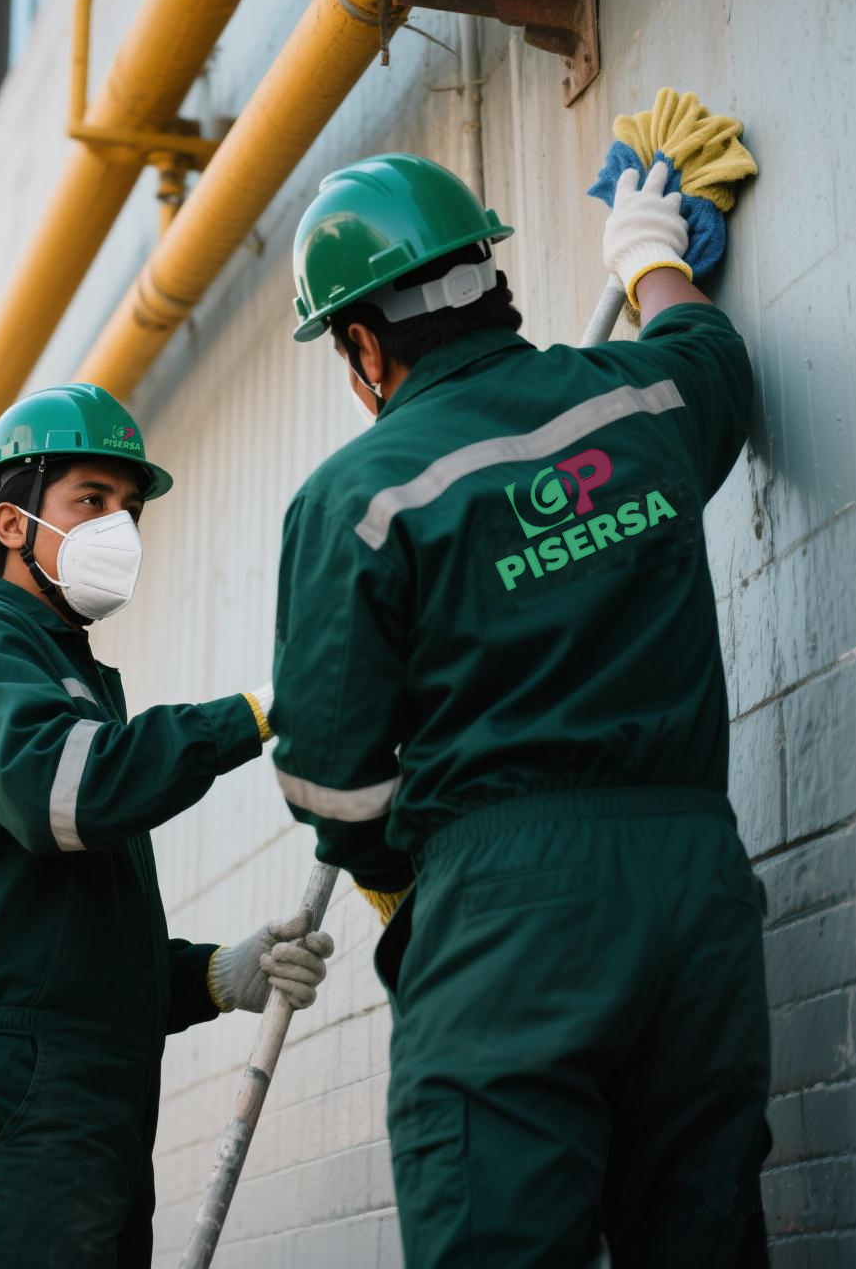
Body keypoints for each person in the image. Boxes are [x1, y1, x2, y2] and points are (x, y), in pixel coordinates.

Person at [271, 153, 769, 1266]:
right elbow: (711, 355)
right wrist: (648, 257)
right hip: (697, 890)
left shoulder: (356, 497)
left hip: (505, 910)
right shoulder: (640, 399)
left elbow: (328, 779)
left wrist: (405, 877)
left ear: (362, 346)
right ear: (492, 282)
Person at [0, 382, 334, 1267]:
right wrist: (261, 711)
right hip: (12, 1081)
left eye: (129, 507)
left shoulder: (65, 676)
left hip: (78, 1084)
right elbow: (65, 797)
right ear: (12, 523)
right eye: (90, 499)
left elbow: (66, 950)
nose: (117, 526)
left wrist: (212, 977)